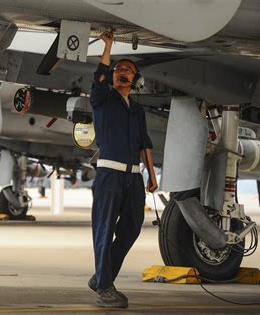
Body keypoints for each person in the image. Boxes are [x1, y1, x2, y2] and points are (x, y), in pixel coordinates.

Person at [88, 31, 158, 308]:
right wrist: (108, 47)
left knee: (131, 228)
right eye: (119, 69)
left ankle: (101, 277)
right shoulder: (102, 99)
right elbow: (99, 77)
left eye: (127, 70)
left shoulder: (137, 110)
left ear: (135, 79)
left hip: (133, 177)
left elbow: (145, 144)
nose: (121, 72)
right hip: (109, 175)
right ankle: (105, 287)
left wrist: (152, 176)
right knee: (104, 230)